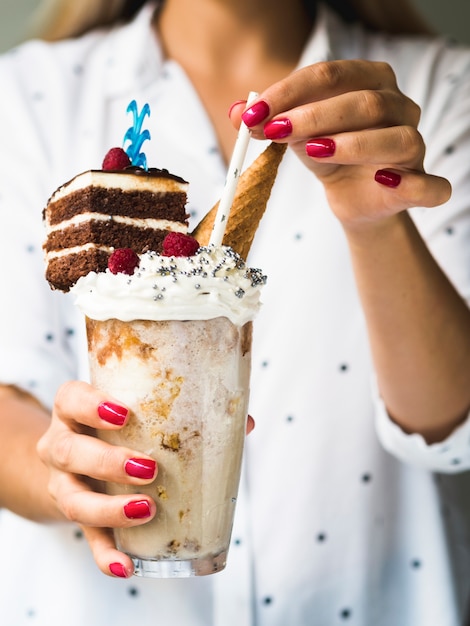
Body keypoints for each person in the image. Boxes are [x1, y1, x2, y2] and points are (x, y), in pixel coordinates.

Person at [0, 0, 470, 624]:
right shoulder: (27, 94)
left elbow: (451, 429)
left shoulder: (441, 90)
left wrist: (376, 225)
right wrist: (63, 471)